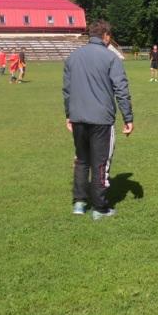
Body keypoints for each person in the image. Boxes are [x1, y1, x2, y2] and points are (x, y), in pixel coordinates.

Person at [63, 20, 134, 219]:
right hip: (101, 119)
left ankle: (79, 203)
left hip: (78, 117)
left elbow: (67, 90)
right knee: (101, 162)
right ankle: (100, 208)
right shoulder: (111, 58)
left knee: (81, 160)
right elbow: (121, 90)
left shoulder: (72, 58)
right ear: (106, 36)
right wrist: (128, 118)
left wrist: (69, 114)